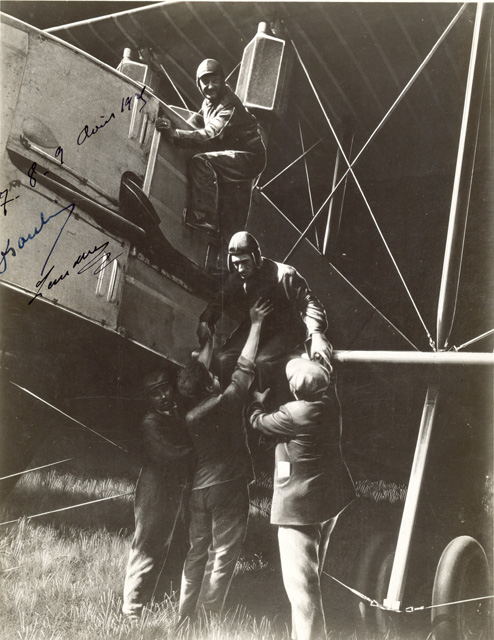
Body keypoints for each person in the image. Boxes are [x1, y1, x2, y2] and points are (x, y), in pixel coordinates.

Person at [175, 297, 273, 625]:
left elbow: (197, 376)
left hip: (199, 491)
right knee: (223, 555)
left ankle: (183, 617)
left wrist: (208, 340)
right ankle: (206, 619)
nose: (218, 377)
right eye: (212, 377)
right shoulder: (225, 403)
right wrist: (256, 323)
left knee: (196, 553)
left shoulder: (190, 412)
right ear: (209, 385)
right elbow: (245, 365)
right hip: (228, 486)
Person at [248, 357, 355, 640]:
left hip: (300, 511)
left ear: (294, 390)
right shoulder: (330, 404)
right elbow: (329, 378)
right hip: (327, 503)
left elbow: (258, 422)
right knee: (310, 578)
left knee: (303, 591)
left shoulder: (292, 414)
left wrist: (257, 402)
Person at [197, 231, 333, 391]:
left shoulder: (285, 275)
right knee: (223, 358)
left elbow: (309, 302)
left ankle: (256, 398)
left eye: (244, 262)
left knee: (260, 363)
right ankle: (227, 396)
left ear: (255, 257)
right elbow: (222, 297)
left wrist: (316, 333)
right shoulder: (238, 277)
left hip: (287, 329)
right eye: (236, 263)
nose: (240, 268)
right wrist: (206, 320)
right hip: (257, 324)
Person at [156, 58, 266, 235]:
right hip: (233, 150)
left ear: (222, 81)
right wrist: (176, 122)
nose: (210, 86)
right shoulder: (208, 101)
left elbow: (211, 135)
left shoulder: (228, 105)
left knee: (201, 162)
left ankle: (205, 218)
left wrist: (175, 134)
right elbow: (199, 119)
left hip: (250, 157)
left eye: (215, 81)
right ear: (198, 84)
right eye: (205, 82)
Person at [122, 370, 195, 619]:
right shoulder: (151, 422)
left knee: (175, 543)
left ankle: (161, 597)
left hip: (175, 487)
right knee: (147, 545)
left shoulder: (175, 412)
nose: (163, 395)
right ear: (148, 398)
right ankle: (132, 610)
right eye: (155, 393)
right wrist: (203, 453)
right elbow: (172, 456)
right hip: (155, 491)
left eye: (165, 388)